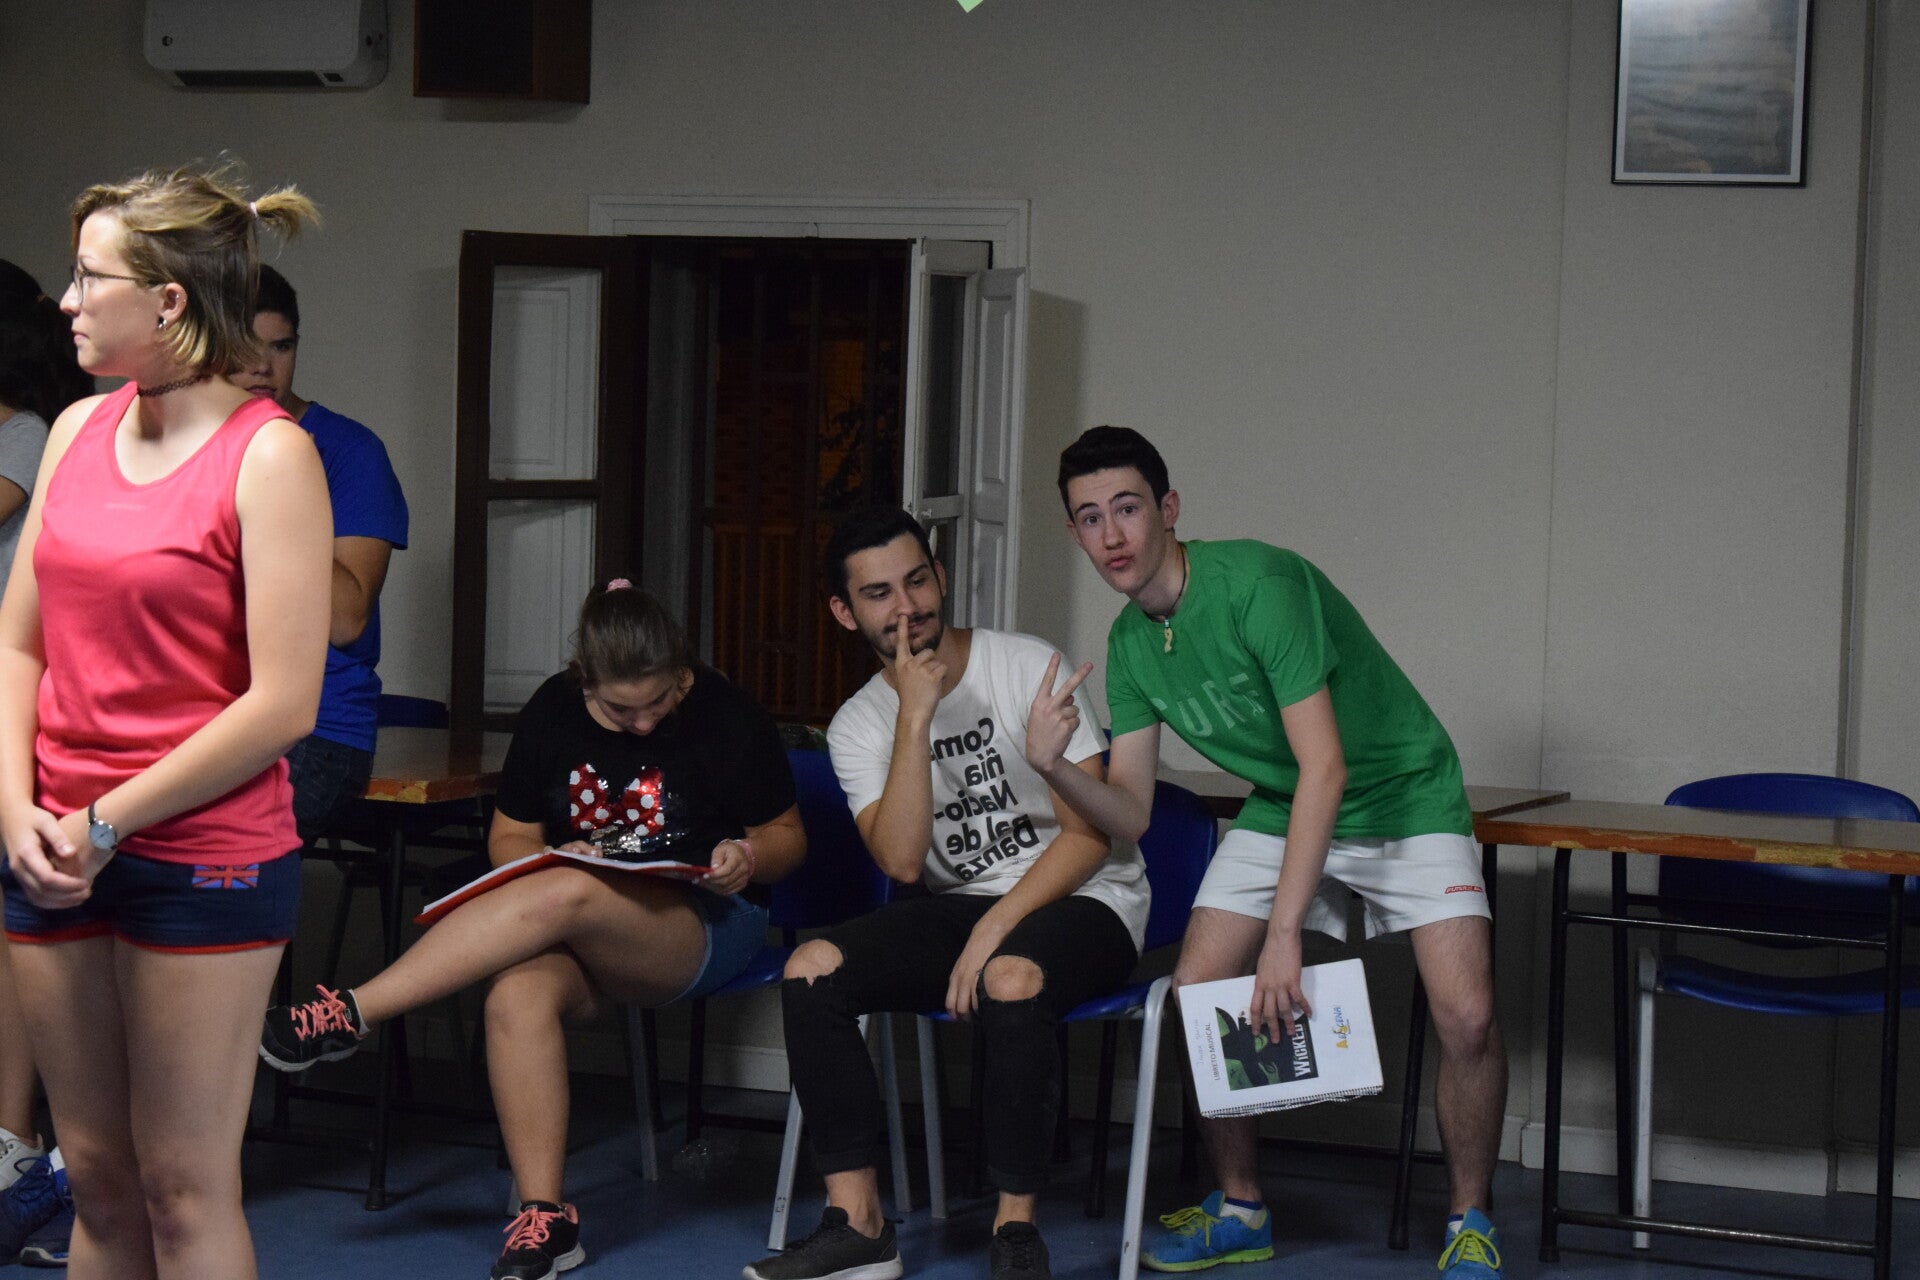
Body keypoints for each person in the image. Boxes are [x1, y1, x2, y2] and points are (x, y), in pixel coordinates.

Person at [1042, 427, 1507, 1278]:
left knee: (1466, 1015)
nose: (1112, 535)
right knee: (1197, 994)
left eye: (1128, 508)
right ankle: (1241, 1208)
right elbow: (1133, 812)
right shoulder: (1130, 644)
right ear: (1074, 533)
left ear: (1169, 509)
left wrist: (1284, 934)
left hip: (1402, 790)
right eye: (1091, 518)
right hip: (1287, 799)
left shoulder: (1259, 585)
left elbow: (1328, 766)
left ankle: (1469, 1219)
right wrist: (1055, 767)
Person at [259, 581, 805, 1280]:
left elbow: (788, 838)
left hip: (704, 924)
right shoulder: (553, 707)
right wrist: (552, 856)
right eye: (622, 710)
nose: (644, 724)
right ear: (585, 680)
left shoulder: (726, 712)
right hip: (579, 925)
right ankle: (546, 1220)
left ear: (681, 674)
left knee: (569, 889)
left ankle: (354, 1011)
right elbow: (510, 840)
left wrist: (747, 856)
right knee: (515, 993)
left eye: (659, 702)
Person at [0, 163, 332, 1280]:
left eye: (90, 277)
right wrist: (18, 811)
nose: (66, 300)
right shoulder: (72, 431)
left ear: (168, 301)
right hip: (53, 847)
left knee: (181, 1187)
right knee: (95, 1178)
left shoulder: (270, 454)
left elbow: (284, 701)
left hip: (201, 855)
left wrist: (107, 821)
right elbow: (18, 644)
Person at [745, 508, 1149, 1280]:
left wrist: (994, 929)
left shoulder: (1024, 664)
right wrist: (916, 714)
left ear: (940, 577)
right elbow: (902, 862)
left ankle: (1015, 1233)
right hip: (959, 903)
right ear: (845, 612)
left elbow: (1090, 838)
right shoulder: (859, 724)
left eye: (917, 581)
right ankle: (859, 1225)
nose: (907, 608)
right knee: (811, 970)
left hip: (1090, 896)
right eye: (879, 594)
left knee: (1010, 977)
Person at [231, 264, 408, 840]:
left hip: (314, 731)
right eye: (245, 346)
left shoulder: (349, 450)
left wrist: (283, 490)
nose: (263, 365)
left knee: (169, 839)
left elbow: (347, 619)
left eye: (280, 346)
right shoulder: (186, 444)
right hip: (202, 713)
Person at [0, 258, 94, 1267]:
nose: (73, 304)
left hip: (50, 735)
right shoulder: (59, 430)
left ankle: (52, 1163)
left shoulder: (33, 431)